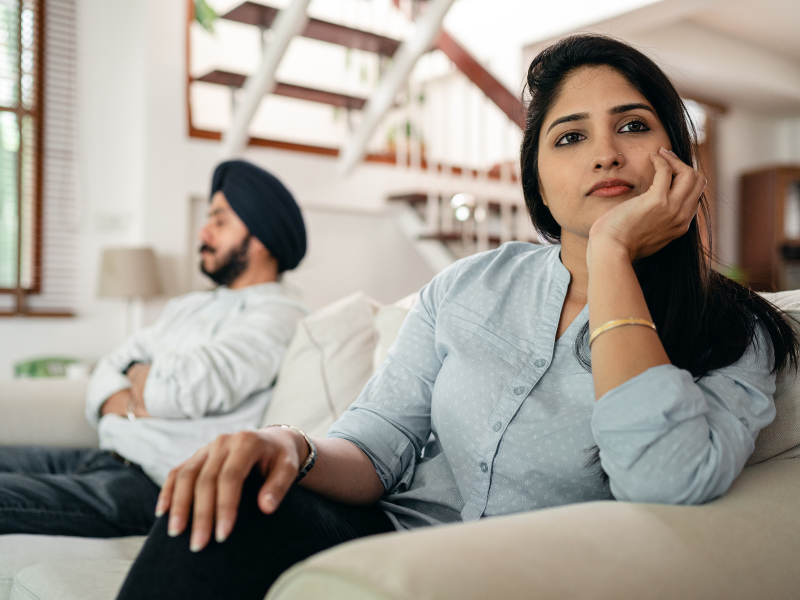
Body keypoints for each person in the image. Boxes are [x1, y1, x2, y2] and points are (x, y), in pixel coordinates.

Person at [116, 35, 798, 600]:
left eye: (632, 125)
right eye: (568, 137)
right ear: (536, 173)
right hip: (381, 541)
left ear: (676, 154)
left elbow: (663, 478)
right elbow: (379, 444)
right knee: (218, 509)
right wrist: (289, 446)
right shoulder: (468, 285)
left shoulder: (736, 331)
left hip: (526, 575)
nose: (604, 153)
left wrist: (613, 253)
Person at [0, 159, 308, 538]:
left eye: (220, 220)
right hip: (100, 457)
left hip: (150, 486)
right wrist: (138, 397)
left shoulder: (280, 316)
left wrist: (143, 383)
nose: (203, 231)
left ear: (262, 238)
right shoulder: (189, 305)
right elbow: (107, 371)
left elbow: (178, 391)